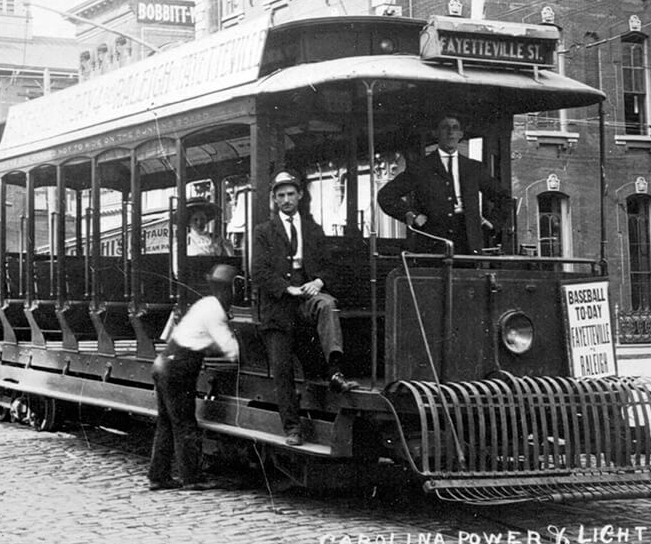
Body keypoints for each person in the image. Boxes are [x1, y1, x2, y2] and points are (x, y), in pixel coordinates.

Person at [252, 171, 359, 447]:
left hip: (307, 298)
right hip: (279, 307)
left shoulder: (312, 228)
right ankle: (292, 429)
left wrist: (319, 281)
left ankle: (335, 370)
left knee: (328, 304)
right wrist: (287, 289)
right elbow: (259, 271)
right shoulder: (264, 231)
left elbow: (329, 265)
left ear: (300, 195)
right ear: (275, 200)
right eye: (281, 196)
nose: (286, 200)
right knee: (282, 369)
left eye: (291, 194)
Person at [148, 263, 240, 491]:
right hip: (179, 369)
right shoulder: (216, 310)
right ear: (229, 289)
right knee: (185, 424)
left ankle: (158, 477)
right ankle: (192, 479)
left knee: (166, 424)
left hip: (164, 364)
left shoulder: (204, 303)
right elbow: (231, 350)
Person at [377, 115, 511, 256]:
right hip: (432, 239)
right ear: (436, 133)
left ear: (461, 135)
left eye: (455, 128)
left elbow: (504, 198)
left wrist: (492, 223)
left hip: (468, 242)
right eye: (445, 128)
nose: (450, 132)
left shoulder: (473, 168)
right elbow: (386, 196)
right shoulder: (421, 167)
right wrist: (414, 216)